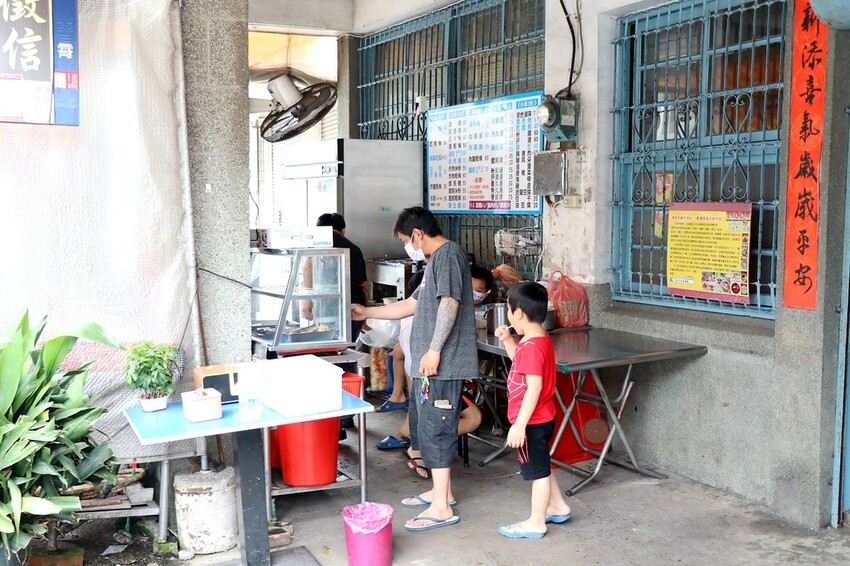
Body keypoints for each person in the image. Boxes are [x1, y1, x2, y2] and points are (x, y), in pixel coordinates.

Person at [352, 206, 477, 532]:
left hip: (441, 365)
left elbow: (449, 303)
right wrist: (367, 311)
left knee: (438, 430)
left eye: (406, 240)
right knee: (428, 428)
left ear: (418, 234)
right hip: (428, 366)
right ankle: (441, 492)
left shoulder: (448, 256)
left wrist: (434, 351)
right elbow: (412, 305)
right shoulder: (435, 261)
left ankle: (442, 508)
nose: (408, 246)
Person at [493, 281, 572, 539]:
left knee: (538, 473)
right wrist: (509, 340)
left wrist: (519, 425)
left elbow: (534, 387)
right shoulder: (537, 339)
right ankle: (557, 506)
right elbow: (520, 361)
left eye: (508, 310)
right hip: (542, 416)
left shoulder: (532, 347)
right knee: (542, 464)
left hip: (532, 421)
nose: (508, 315)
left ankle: (536, 522)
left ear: (518, 313)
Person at [313, 213, 369, 339]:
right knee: (347, 344)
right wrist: (365, 315)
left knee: (325, 341)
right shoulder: (355, 249)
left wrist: (307, 303)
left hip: (326, 305)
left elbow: (307, 267)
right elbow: (363, 284)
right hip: (354, 305)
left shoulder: (317, 245)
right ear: (343, 230)